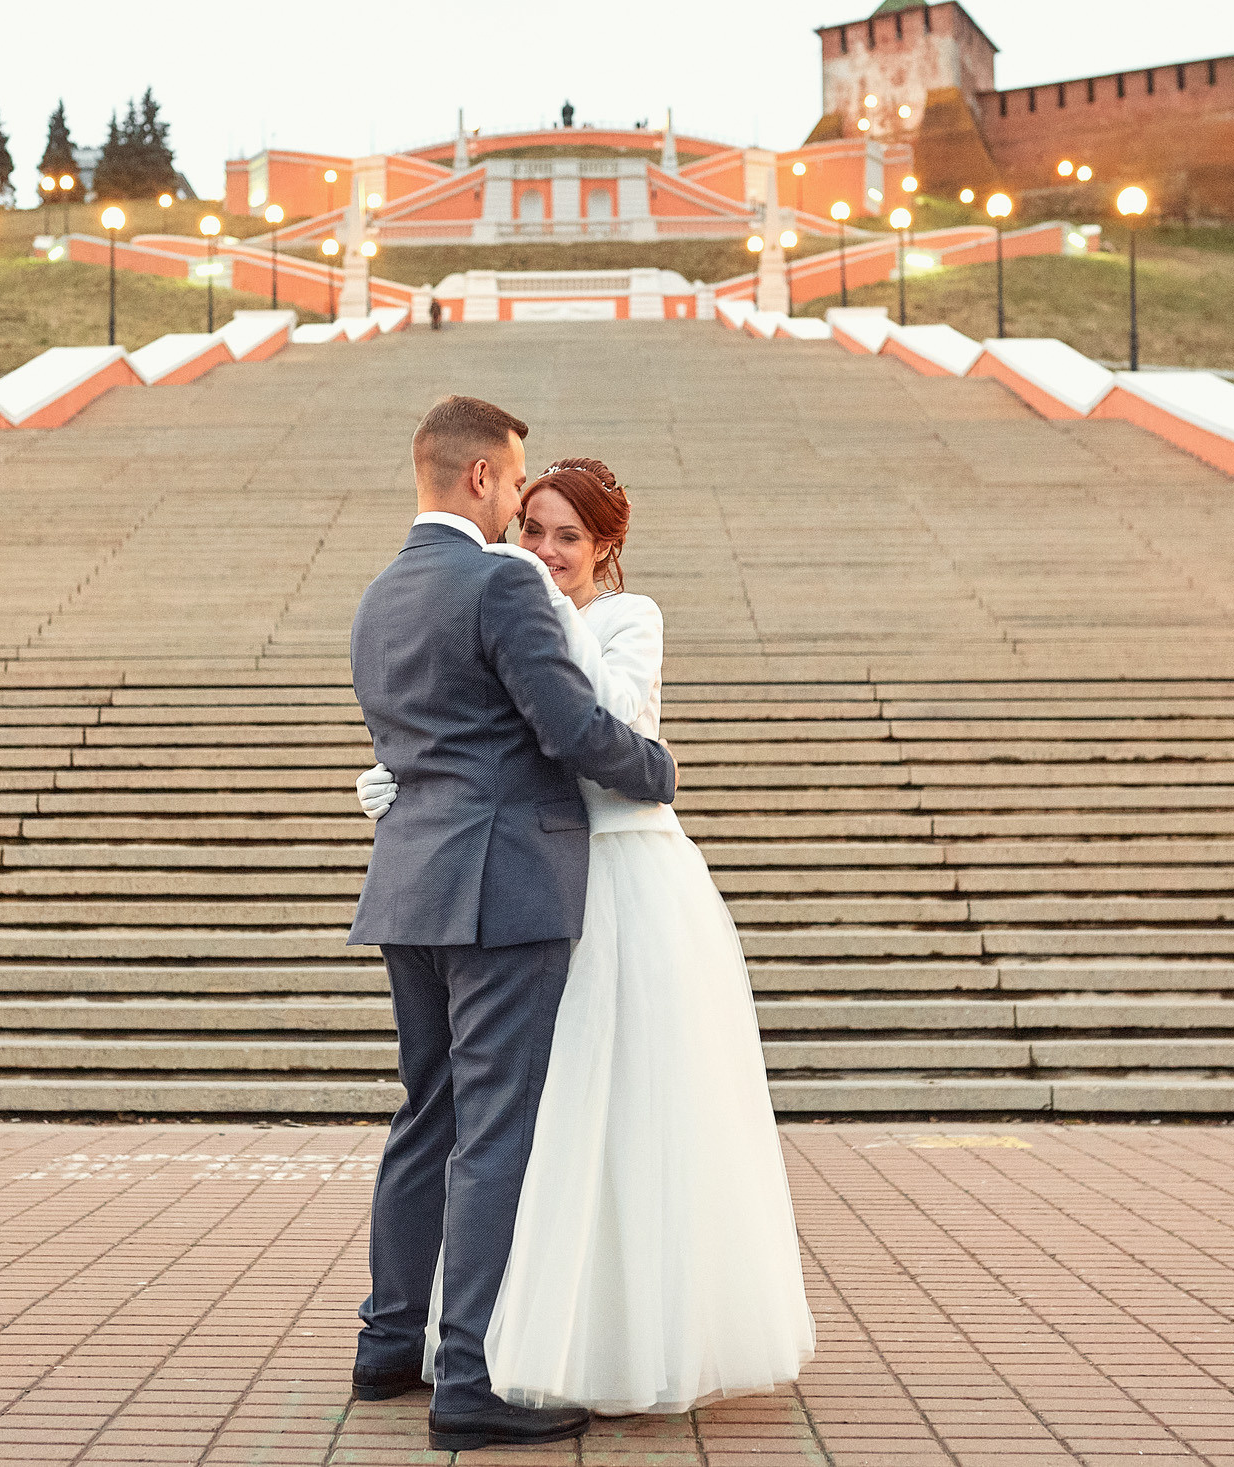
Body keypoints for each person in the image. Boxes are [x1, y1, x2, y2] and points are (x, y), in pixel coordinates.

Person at [357, 457, 814, 1416]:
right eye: (532, 528)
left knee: (604, 1113)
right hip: (522, 876)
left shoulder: (622, 615)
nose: (544, 549)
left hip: (609, 877)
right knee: (489, 1119)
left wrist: (546, 614)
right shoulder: (497, 597)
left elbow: (601, 715)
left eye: (568, 536)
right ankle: (446, 1348)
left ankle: (584, 1337)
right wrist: (406, 777)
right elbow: (487, 725)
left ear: (605, 548)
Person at [347, 398, 678, 1453]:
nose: (522, 522)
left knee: (427, 1114)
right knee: (495, 1133)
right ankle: (473, 1379)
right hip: (502, 885)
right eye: (516, 483)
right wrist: (656, 772)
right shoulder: (501, 582)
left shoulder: (380, 592)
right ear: (484, 477)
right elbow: (571, 724)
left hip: (409, 883)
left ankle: (388, 1341)